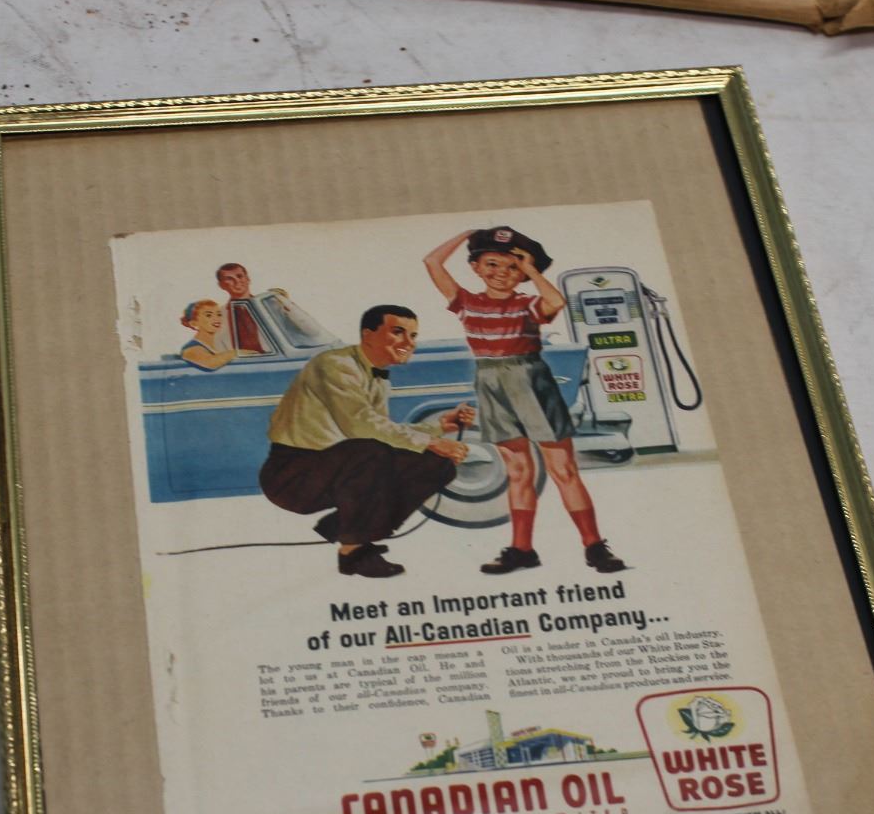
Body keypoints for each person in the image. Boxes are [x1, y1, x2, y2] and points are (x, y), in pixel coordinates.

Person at [423, 227, 627, 574]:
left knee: (562, 469)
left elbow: (556, 302)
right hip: (491, 383)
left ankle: (594, 547)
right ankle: (522, 550)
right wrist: (466, 233)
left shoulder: (528, 304)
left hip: (531, 380)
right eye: (491, 264)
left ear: (523, 273)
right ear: (475, 267)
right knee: (518, 471)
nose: (501, 273)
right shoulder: (466, 303)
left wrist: (531, 268)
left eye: (512, 267)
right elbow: (432, 261)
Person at [260, 306, 475, 578]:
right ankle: (352, 553)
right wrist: (431, 441)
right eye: (398, 332)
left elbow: (382, 430)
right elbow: (362, 425)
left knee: (438, 464)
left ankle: (345, 526)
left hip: (334, 468)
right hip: (293, 476)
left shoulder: (377, 376)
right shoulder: (335, 364)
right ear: (368, 335)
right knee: (371, 450)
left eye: (413, 335)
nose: (409, 343)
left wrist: (439, 426)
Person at [215, 263, 267, 354]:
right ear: (221, 285)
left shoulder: (269, 306)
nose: (237, 281)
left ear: (248, 279)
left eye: (240, 276)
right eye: (229, 279)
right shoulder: (218, 315)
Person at [177, 300, 238, 371]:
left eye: (219, 314)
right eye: (209, 315)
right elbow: (210, 363)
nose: (217, 319)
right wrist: (237, 352)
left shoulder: (219, 345)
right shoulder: (190, 349)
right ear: (194, 323)